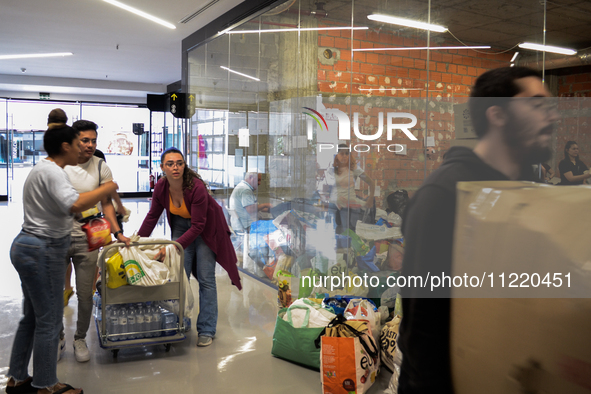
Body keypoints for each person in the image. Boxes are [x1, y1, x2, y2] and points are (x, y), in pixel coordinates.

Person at [398, 66, 559, 394]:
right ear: (498, 114)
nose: (552, 116)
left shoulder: (524, 190)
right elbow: (421, 331)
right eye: (536, 104)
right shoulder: (443, 195)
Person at [6, 122, 118, 394]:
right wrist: (108, 188)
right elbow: (76, 203)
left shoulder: (42, 169)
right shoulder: (54, 172)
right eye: (80, 143)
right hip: (41, 250)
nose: (85, 148)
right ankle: (46, 384)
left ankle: (17, 378)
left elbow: (68, 210)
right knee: (50, 320)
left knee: (31, 317)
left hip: (28, 245)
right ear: (66, 146)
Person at [138, 147, 242, 347]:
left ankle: (207, 329)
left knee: (206, 278)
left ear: (184, 165)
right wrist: (136, 241)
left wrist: (170, 248)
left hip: (206, 228)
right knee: (179, 277)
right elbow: (152, 216)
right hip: (180, 224)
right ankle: (181, 322)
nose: (175, 167)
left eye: (179, 163)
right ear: (162, 167)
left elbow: (198, 226)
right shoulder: (161, 186)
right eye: (170, 164)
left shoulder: (196, 187)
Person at [60, 119, 131, 363]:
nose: (90, 145)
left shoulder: (101, 166)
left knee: (85, 294)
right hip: (58, 235)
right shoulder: (60, 165)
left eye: (93, 141)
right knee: (53, 292)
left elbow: (106, 204)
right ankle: (58, 336)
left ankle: (80, 338)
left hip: (87, 236)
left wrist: (117, 232)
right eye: (85, 140)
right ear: (73, 140)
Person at [332, 144, 375, 232]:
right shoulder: (334, 169)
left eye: (346, 154)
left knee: (349, 232)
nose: (344, 156)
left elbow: (371, 183)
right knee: (342, 231)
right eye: (341, 153)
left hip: (349, 207)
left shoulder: (354, 168)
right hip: (337, 206)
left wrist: (370, 199)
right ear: (337, 155)